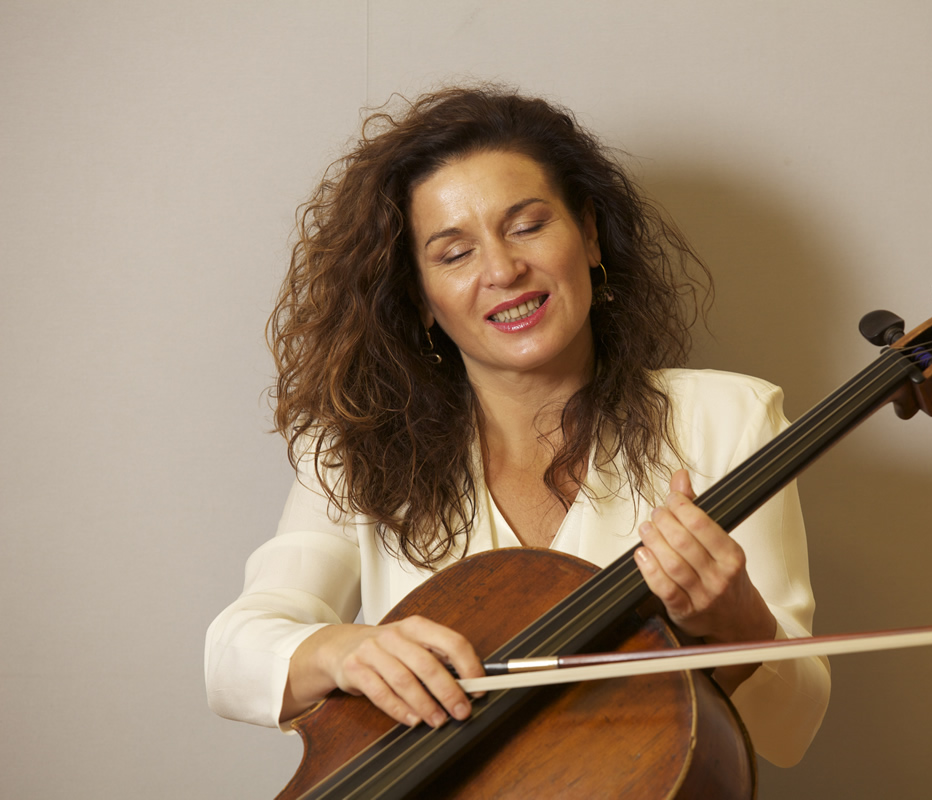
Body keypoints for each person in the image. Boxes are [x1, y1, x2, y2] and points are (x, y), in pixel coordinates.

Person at [204, 85, 830, 767]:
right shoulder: (354, 454)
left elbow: (791, 731)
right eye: (453, 254)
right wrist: (342, 649)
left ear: (589, 234)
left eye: (527, 225)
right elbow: (233, 655)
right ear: (420, 297)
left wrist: (738, 623)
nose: (502, 270)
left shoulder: (729, 419)